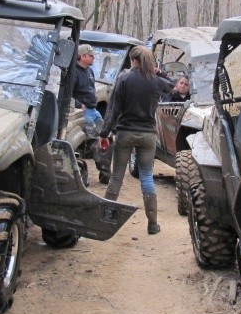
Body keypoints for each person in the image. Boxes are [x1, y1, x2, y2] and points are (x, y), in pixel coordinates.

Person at [98, 46, 173, 234]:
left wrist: (104, 133)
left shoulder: (124, 79)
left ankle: (106, 219)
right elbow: (171, 86)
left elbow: (113, 110)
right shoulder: (155, 81)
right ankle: (153, 224)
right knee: (147, 178)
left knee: (116, 177)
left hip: (125, 133)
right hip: (148, 135)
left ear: (134, 60)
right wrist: (159, 72)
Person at [73, 44, 102, 137]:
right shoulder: (74, 72)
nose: (94, 58)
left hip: (93, 109)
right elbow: (68, 94)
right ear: (82, 56)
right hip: (82, 111)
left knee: (102, 129)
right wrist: (79, 105)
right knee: (90, 135)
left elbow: (91, 88)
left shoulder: (90, 71)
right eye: (91, 55)